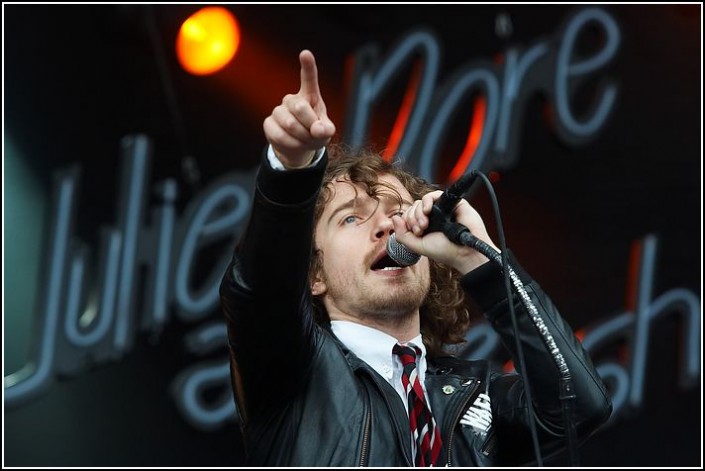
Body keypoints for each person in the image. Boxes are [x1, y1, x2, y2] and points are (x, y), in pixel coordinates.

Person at [220, 49, 612, 467]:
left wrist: (482, 261)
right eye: (351, 218)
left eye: (396, 212)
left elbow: (578, 407)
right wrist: (292, 171)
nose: (386, 227)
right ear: (314, 273)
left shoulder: (477, 393)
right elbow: (261, 289)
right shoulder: (294, 371)